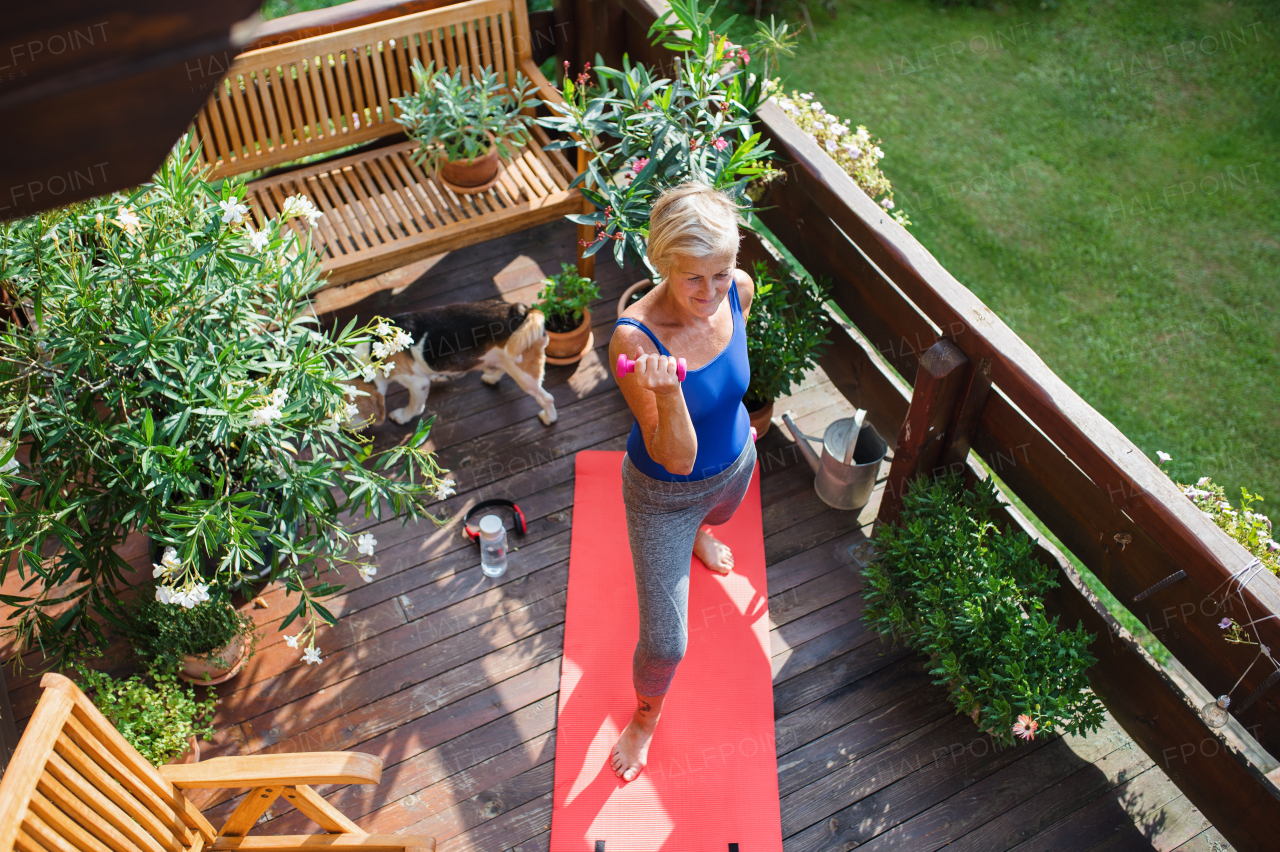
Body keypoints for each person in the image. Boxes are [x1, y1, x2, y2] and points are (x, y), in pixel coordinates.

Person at [606, 182, 756, 783]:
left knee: (719, 519)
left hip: (737, 465)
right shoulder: (634, 341)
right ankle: (646, 715)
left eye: (722, 273)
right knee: (667, 644)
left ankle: (703, 533)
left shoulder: (738, 293)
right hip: (664, 496)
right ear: (664, 263)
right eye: (695, 277)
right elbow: (675, 458)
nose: (712, 292)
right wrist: (668, 392)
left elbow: (734, 380)